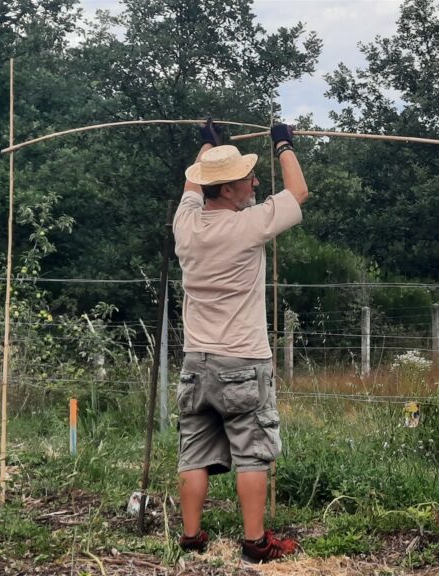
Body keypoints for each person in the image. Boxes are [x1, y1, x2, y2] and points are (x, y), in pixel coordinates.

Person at [172, 119, 308, 563]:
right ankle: (255, 543)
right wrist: (284, 144)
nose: (255, 181)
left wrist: (209, 150)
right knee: (252, 452)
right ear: (228, 191)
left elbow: (194, 181)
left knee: (193, 448)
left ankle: (191, 537)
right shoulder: (247, 226)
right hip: (242, 360)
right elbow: (298, 192)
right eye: (247, 179)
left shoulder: (186, 223)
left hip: (196, 359)